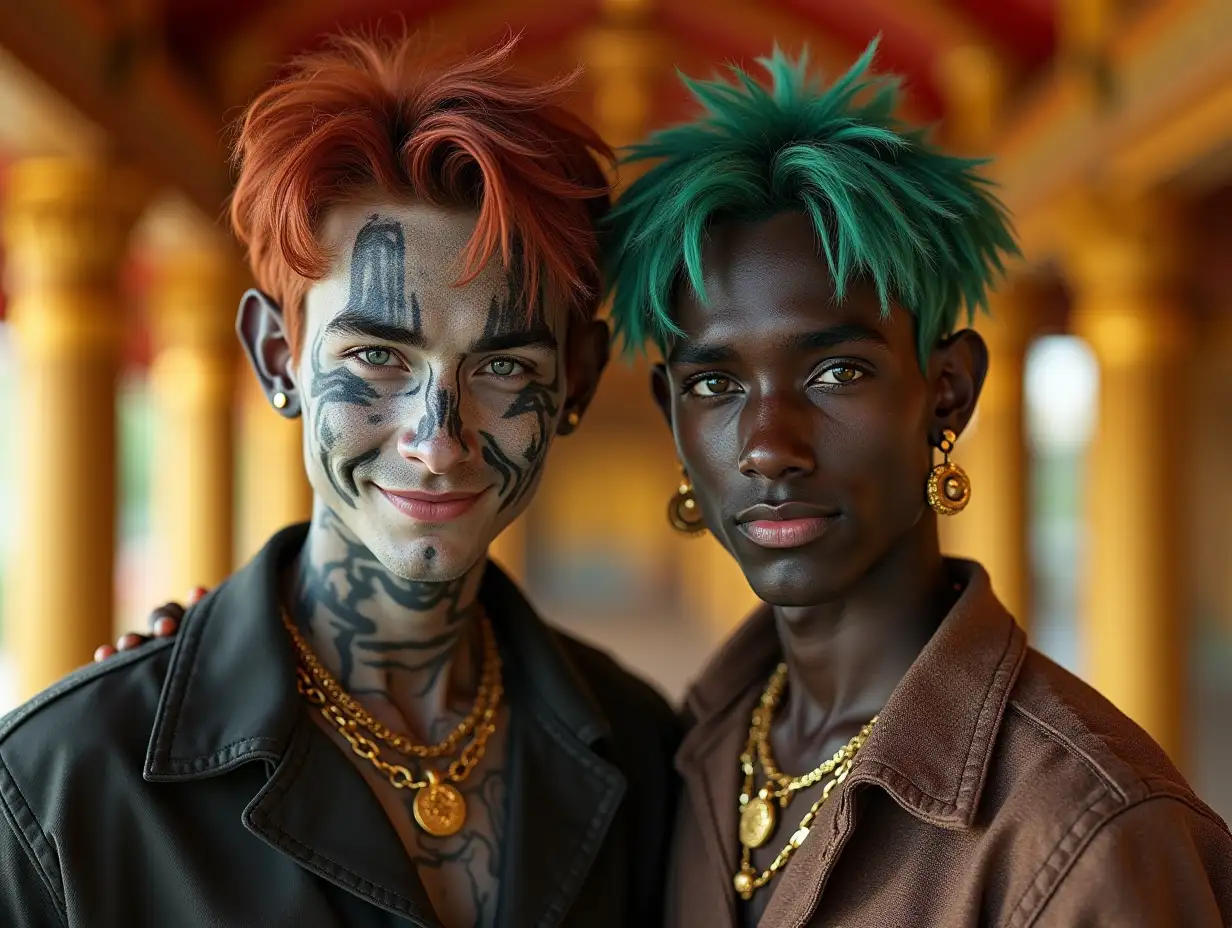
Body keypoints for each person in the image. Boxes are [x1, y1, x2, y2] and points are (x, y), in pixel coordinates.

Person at [0, 33, 680, 928]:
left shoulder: (645, 752)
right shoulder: (66, 783)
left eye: (504, 368)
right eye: (375, 358)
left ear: (577, 380)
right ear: (276, 357)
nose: (437, 441)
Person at [599, 42, 1232, 927]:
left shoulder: (1087, 838)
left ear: (947, 394)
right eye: (716, 385)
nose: (768, 449)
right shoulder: (689, 751)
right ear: (672, 414)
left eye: (836, 373)